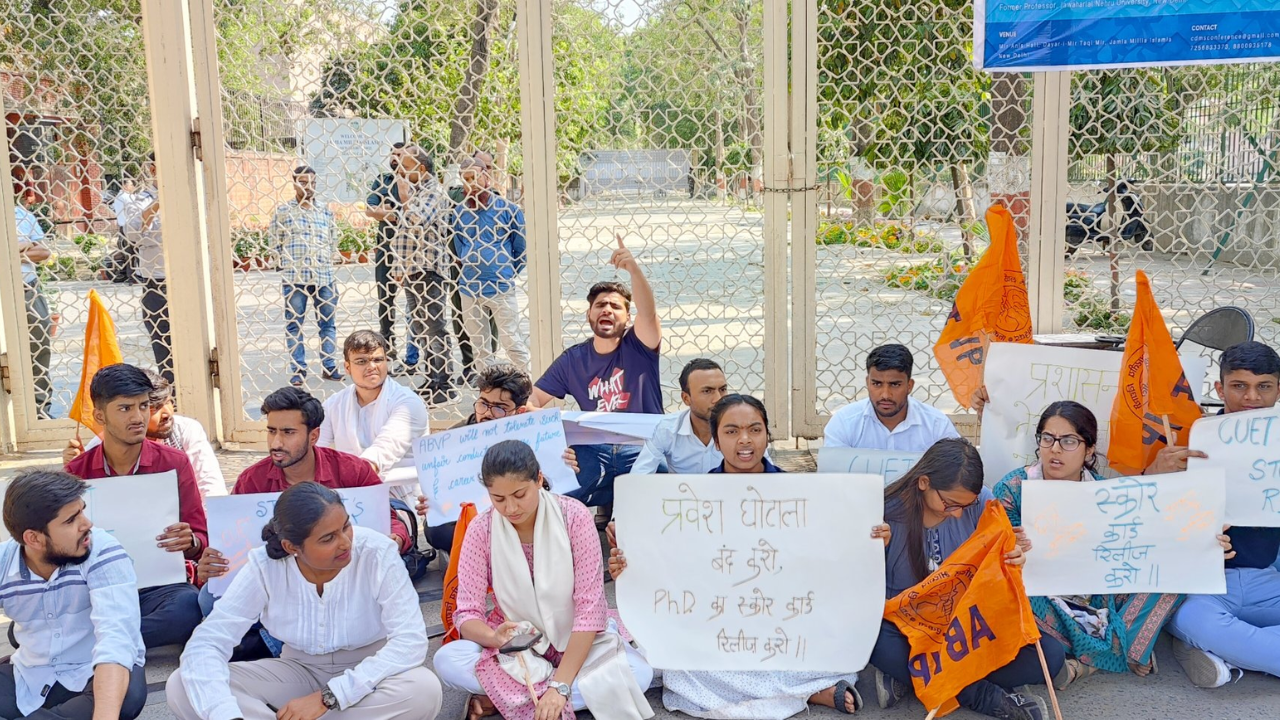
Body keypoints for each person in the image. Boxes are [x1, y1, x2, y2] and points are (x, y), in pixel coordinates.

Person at [607, 394, 875, 716]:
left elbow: (831, 554)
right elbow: (672, 564)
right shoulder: (692, 499)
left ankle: (813, 688)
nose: (744, 440)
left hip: (784, 616)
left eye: (755, 429)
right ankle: (811, 692)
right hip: (719, 617)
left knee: (830, 647)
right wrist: (631, 565)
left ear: (767, 436)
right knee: (684, 666)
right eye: (731, 431)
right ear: (716, 442)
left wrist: (869, 542)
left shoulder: (802, 496)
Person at [992, 401, 1232, 688]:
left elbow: (1155, 539)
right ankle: (1121, 649)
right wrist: (1011, 545)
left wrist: (1204, 539)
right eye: (1047, 438)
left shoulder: (1106, 493)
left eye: (1069, 441)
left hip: (1095, 595)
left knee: (1172, 575)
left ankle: (1087, 661)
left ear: (1089, 449)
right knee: (1011, 598)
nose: (1054, 449)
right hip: (1040, 595)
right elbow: (996, 553)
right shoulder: (1014, 487)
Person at [166, 482, 444, 720]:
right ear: (292, 547)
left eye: (346, 526)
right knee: (182, 684)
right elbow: (208, 642)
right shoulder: (264, 566)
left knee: (423, 690)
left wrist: (329, 697)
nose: (345, 542)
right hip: (297, 670)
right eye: (328, 538)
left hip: (371, 671)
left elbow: (410, 642)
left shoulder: (376, 552)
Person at [432, 440, 654, 720]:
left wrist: (559, 686)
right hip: (517, 646)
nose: (510, 508)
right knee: (447, 661)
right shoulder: (481, 529)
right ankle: (542, 695)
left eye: (519, 494)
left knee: (640, 674)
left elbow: (588, 611)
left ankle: (507, 697)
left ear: (538, 479)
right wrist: (494, 637)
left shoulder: (574, 517)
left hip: (576, 639)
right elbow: (466, 613)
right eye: (498, 499)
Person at [195, 387, 411, 661]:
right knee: (208, 599)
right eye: (271, 431)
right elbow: (233, 545)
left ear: (314, 435)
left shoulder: (352, 470)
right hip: (282, 584)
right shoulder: (252, 481)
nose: (276, 442)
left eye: (288, 432)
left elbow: (391, 519)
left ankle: (278, 650)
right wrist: (213, 564)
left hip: (343, 576)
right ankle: (288, 649)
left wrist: (396, 539)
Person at [871, 437, 1060, 720]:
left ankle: (915, 679)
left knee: (1050, 655)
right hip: (909, 628)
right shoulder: (886, 510)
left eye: (965, 505)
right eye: (949, 504)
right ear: (924, 483)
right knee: (872, 637)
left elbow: (1000, 569)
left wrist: (1014, 558)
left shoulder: (981, 502)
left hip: (966, 627)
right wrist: (874, 550)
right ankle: (984, 696)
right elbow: (859, 584)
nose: (958, 512)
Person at [1149, 341, 1280, 688]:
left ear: (1278, 389)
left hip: (1268, 579)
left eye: (1263, 386)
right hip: (1203, 587)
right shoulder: (1192, 441)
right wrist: (1155, 475)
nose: (1251, 397)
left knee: (1209, 630)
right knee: (1193, 620)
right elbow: (1146, 520)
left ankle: (1219, 654)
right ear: (1220, 388)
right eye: (1239, 386)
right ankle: (1216, 644)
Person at [63, 364, 206, 649]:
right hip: (99, 590)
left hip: (160, 587)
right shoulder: (77, 471)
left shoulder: (173, 462)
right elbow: (62, 544)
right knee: (23, 628)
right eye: (125, 408)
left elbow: (201, 536)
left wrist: (188, 540)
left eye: (143, 406)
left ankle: (93, 642)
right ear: (100, 415)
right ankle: (117, 638)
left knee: (188, 608)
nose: (139, 417)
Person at [0, 470, 147, 720]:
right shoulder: (4, 563)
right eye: (70, 520)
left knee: (125, 696)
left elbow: (116, 641)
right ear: (33, 538)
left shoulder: (103, 550)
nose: (87, 524)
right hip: (29, 673)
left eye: (82, 511)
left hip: (93, 672)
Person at [532, 235, 663, 511]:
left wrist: (634, 270)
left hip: (641, 446)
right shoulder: (573, 359)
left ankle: (619, 507)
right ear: (589, 315)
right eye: (600, 305)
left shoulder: (640, 346)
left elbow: (649, 314)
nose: (607, 309)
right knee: (555, 496)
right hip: (593, 450)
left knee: (664, 487)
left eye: (616, 306)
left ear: (628, 318)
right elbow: (532, 401)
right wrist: (549, 438)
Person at [413, 365, 579, 554]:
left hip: (520, 513)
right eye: (483, 403)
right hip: (479, 518)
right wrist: (433, 505)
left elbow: (552, 487)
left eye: (500, 408)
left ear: (520, 411)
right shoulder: (453, 440)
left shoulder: (539, 434)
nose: (488, 413)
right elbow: (444, 492)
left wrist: (564, 467)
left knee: (567, 511)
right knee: (437, 531)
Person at [66, 368, 226, 502]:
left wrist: (199, 536)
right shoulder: (97, 448)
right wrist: (73, 473)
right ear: (100, 416)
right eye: (155, 408)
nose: (167, 413)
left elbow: (211, 491)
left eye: (169, 402)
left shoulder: (184, 432)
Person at [318, 330, 428, 488]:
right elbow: (315, 451)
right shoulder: (334, 404)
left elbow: (382, 452)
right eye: (361, 361)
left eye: (378, 360)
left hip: (404, 500)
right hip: (352, 493)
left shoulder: (408, 403)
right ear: (347, 368)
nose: (371, 367)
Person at [389, 146, 456, 404]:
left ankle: (444, 383)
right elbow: (405, 233)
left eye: (406, 167)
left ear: (421, 168)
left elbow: (417, 222)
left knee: (434, 326)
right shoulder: (418, 192)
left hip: (429, 269)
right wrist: (400, 268)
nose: (401, 172)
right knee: (419, 326)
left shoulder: (433, 192)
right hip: (412, 270)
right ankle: (431, 377)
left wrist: (405, 199)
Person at [452, 156, 530, 372]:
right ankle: (488, 391)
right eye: (465, 179)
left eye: (474, 177)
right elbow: (459, 247)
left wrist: (504, 271)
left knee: (512, 342)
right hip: (469, 287)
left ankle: (529, 387)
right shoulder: (459, 213)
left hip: (500, 286)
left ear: (486, 177)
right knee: (480, 348)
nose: (470, 184)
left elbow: (521, 249)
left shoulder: (508, 210)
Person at [271, 165, 342, 387]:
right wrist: (279, 264)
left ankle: (329, 366)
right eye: (302, 182)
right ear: (294, 183)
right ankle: (298, 370)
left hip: (324, 276)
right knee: (294, 324)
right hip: (295, 277)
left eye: (311, 182)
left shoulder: (324, 211)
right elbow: (275, 241)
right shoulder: (284, 212)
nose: (308, 186)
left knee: (328, 323)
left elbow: (332, 239)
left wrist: (333, 257)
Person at [824, 344, 960, 451]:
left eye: (894, 384)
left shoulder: (937, 425)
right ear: (867, 382)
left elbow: (956, 476)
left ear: (909, 386)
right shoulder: (844, 423)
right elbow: (833, 477)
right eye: (876, 384)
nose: (885, 395)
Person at [119, 154, 173, 382]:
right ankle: (176, 399)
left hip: (193, 284)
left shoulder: (193, 194)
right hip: (157, 285)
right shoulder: (138, 201)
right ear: (153, 169)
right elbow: (131, 234)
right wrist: (158, 203)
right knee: (166, 351)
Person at [365, 142, 418, 367]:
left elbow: (418, 213)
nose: (395, 157)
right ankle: (388, 348)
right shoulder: (382, 180)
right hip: (386, 249)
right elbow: (370, 210)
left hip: (413, 251)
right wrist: (397, 214)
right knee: (385, 301)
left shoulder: (417, 182)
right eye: (393, 154)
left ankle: (413, 354)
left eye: (400, 154)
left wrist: (387, 210)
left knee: (415, 303)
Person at [629, 358, 729, 475]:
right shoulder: (667, 430)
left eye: (722, 389)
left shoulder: (740, 428)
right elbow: (639, 476)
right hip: (681, 492)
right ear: (686, 398)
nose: (718, 398)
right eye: (707, 391)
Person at [14, 192, 53, 419]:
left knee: (38, 349)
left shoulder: (22, 215)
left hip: (28, 289)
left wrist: (12, 252)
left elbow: (44, 251)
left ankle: (41, 412)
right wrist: (24, 245)